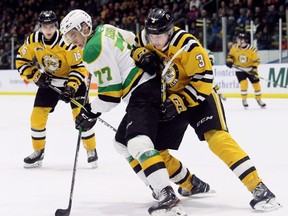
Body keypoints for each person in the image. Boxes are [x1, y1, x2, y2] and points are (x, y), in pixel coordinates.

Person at [132, 8, 281, 212]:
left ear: (170, 30)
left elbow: (204, 81)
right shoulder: (146, 37)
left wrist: (179, 101)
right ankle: (191, 185)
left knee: (217, 139)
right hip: (173, 99)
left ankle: (260, 188)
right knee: (155, 150)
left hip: (200, 98)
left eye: (160, 35)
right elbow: (133, 44)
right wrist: (140, 53)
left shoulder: (188, 45)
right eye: (152, 35)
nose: (155, 40)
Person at [60, 9, 190, 216]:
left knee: (137, 142)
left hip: (143, 89)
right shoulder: (105, 29)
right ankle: (159, 184)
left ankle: (166, 194)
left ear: (85, 28)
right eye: (68, 37)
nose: (71, 41)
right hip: (148, 84)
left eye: (73, 35)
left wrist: (89, 112)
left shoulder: (92, 49)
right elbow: (132, 39)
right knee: (121, 143)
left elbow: (111, 95)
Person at [15, 11, 98, 169]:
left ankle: (91, 149)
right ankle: (38, 152)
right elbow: (21, 60)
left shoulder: (67, 41)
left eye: (51, 26)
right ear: (40, 26)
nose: (48, 30)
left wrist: (71, 88)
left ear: (56, 26)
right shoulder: (33, 40)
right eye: (45, 26)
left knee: (81, 118)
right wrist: (35, 75)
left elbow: (78, 67)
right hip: (50, 81)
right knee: (36, 117)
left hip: (74, 82)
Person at [226, 32, 266, 108]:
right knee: (244, 84)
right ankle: (244, 100)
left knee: (256, 84)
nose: (237, 41)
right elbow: (230, 56)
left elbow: (256, 60)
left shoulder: (252, 50)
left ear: (244, 41)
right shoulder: (234, 47)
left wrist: (254, 69)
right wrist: (229, 61)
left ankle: (259, 99)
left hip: (250, 69)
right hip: (239, 70)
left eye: (239, 39)